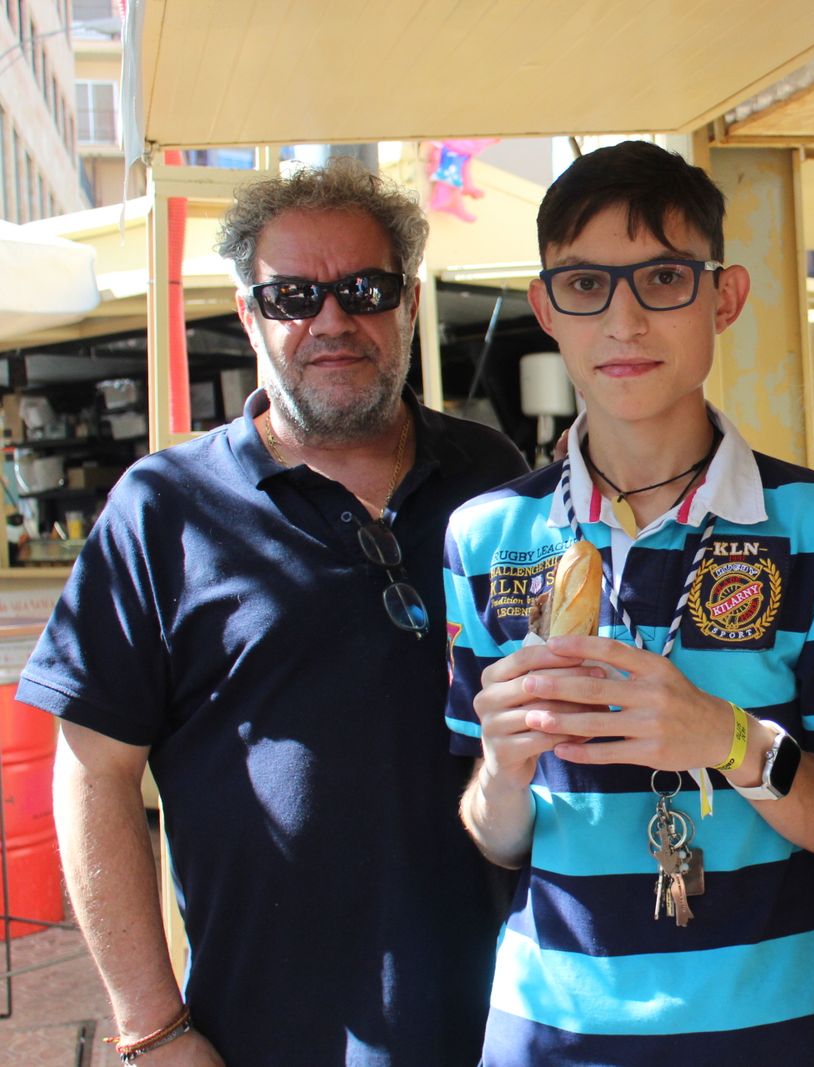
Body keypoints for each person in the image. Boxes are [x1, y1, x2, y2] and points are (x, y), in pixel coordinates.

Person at [22, 158, 529, 1066]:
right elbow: (92, 777)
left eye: (363, 289)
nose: (331, 320)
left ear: (409, 303)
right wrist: (152, 1027)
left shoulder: (497, 478)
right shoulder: (165, 510)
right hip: (271, 1036)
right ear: (250, 313)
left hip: (513, 1021)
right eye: (293, 294)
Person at [443, 140, 814, 1066]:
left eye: (661, 278)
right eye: (584, 285)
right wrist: (501, 765)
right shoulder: (486, 535)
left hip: (772, 1030)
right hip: (550, 1031)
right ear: (545, 308)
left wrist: (726, 739)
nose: (623, 321)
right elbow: (496, 838)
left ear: (723, 297)